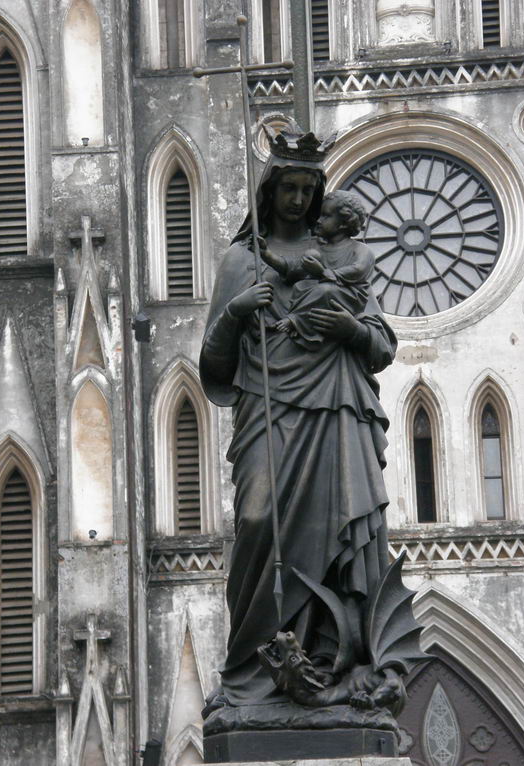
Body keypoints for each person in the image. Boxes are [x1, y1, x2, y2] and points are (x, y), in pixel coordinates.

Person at [200, 129, 397, 707]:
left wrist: (350, 329)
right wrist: (236, 312)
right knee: (259, 518)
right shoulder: (242, 259)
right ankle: (252, 671)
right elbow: (213, 362)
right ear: (270, 190)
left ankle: (334, 662)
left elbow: (382, 343)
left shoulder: (338, 256)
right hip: (267, 406)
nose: (297, 199)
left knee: (341, 530)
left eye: (308, 190)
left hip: (335, 408)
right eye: (289, 187)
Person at [258, 190, 375, 349]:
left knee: (325, 290)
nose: (318, 220)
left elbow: (358, 270)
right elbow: (293, 268)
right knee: (301, 286)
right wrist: (267, 255)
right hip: (323, 292)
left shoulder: (360, 249)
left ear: (343, 223)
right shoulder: (318, 249)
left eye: (326, 216)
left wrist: (323, 273)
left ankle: (295, 320)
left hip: (349, 296)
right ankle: (301, 321)